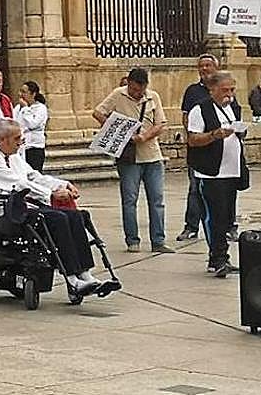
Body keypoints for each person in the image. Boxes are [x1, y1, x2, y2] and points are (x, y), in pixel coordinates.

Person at [0, 118, 102, 295]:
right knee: (58, 219)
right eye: (17, 138)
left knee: (75, 216)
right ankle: (72, 278)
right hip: (4, 211)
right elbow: (18, 183)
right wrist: (50, 195)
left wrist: (62, 184)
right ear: (3, 139)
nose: (20, 142)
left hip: (25, 205)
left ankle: (85, 273)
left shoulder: (13, 155)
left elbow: (34, 176)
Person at [92, 67, 173, 254]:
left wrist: (144, 137)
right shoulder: (118, 95)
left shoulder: (153, 97)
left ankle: (158, 240)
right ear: (128, 83)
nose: (138, 93)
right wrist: (117, 129)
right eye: (135, 89)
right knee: (129, 200)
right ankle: (132, 240)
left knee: (157, 200)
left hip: (152, 155)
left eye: (141, 90)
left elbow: (160, 123)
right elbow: (98, 112)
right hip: (129, 157)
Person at [185, 70, 248, 278]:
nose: (229, 94)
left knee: (227, 218)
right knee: (214, 218)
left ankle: (222, 257)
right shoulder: (200, 110)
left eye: (232, 90)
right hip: (211, 173)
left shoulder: (232, 107)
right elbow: (193, 139)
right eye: (225, 90)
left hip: (231, 171)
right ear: (212, 89)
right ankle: (217, 258)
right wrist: (214, 135)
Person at [178, 54, 219, 241]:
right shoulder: (192, 91)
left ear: (216, 68)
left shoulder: (222, 89)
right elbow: (185, 116)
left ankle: (229, 225)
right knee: (195, 189)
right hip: (199, 148)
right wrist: (193, 135)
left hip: (220, 149)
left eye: (208, 65)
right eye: (201, 65)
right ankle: (191, 226)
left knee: (225, 189)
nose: (204, 69)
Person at [14, 80, 48, 172]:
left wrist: (25, 109)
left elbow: (33, 124)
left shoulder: (41, 108)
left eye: (24, 92)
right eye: (20, 91)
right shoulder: (18, 108)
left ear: (33, 94)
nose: (20, 94)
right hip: (21, 148)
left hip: (34, 148)